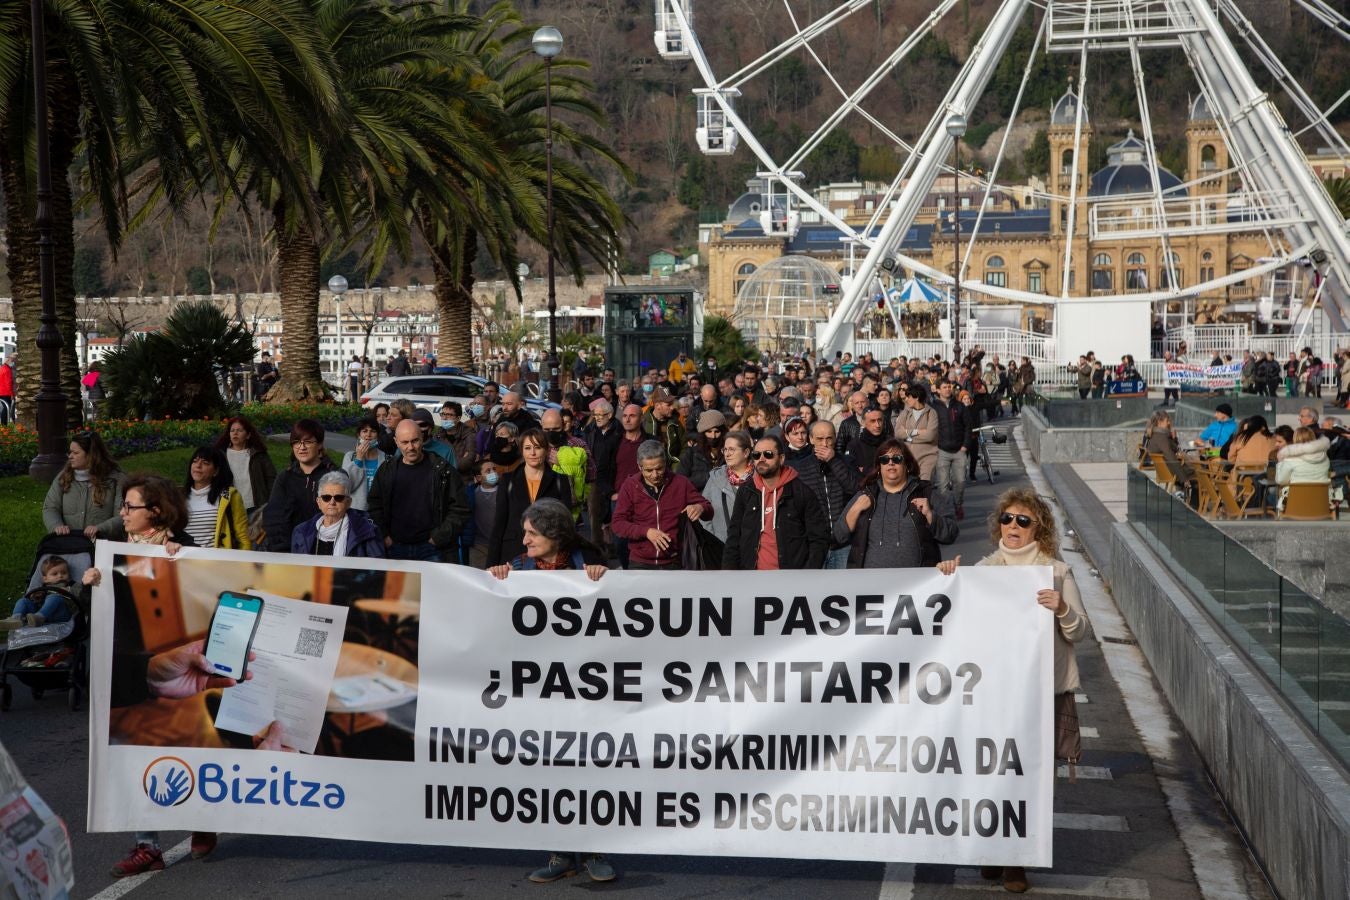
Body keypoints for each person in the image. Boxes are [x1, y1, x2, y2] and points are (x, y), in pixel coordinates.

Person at [936, 488, 1089, 896]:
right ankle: (994, 849)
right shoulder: (984, 570)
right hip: (995, 694)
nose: (1013, 527)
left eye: (1023, 520)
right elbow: (958, 618)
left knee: (1030, 778)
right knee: (991, 773)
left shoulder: (1056, 572)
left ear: (1039, 527)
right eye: (1007, 519)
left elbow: (1080, 631)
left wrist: (1062, 609)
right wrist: (949, 577)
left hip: (1041, 696)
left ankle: (1016, 860)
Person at [486, 498, 613, 884]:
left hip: (585, 692)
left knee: (587, 771)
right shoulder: (518, 569)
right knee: (550, 773)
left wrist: (604, 578)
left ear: (554, 534)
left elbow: (618, 612)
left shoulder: (588, 563)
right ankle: (560, 854)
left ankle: (593, 851)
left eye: (532, 533)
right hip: (540, 694)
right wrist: (493, 579)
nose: (524, 540)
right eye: (524, 533)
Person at [834, 440, 957, 568]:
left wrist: (931, 516)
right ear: (879, 467)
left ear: (907, 465)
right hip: (871, 579)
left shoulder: (926, 492)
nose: (890, 463)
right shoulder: (865, 495)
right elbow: (838, 537)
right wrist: (854, 510)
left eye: (897, 459)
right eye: (884, 459)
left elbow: (951, 533)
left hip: (917, 579)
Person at [368, 419, 470, 561]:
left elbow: (460, 508)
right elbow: (374, 505)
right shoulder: (386, 470)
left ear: (422, 438)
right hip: (395, 547)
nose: (410, 447)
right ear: (396, 442)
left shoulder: (442, 469)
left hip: (432, 548)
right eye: (405, 442)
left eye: (415, 441)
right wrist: (384, 536)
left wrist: (438, 538)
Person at [723, 434, 829, 570]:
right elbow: (734, 537)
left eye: (768, 454)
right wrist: (729, 574)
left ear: (781, 459)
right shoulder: (746, 491)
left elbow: (819, 539)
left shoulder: (801, 492)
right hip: (751, 576)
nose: (761, 459)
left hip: (790, 577)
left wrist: (807, 574)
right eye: (756, 455)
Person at [611, 440, 712, 570]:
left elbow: (708, 509)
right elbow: (618, 524)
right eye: (649, 470)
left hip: (675, 562)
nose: (655, 475)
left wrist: (700, 508)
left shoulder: (681, 483)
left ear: (665, 463)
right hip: (640, 563)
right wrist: (646, 532)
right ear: (639, 466)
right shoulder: (630, 486)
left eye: (659, 469)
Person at [487, 430, 573, 566]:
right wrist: (491, 564)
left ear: (547, 450)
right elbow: (499, 523)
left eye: (537, 447)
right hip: (513, 553)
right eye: (527, 448)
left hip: (548, 556)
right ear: (521, 451)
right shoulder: (508, 480)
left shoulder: (560, 480)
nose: (532, 453)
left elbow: (566, 524)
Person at [262, 420, 338, 551]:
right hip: (290, 548)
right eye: (297, 442)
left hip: (325, 548)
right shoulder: (285, 478)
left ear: (320, 444)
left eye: (308, 442)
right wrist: (283, 548)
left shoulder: (334, 476)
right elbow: (274, 517)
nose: (301, 447)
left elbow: (339, 516)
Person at [42, 430, 125, 538]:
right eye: (70, 452)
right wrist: (56, 526)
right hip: (69, 543)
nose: (70, 456)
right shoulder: (63, 478)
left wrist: (101, 529)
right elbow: (50, 508)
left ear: (91, 455)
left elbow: (124, 515)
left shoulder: (117, 479)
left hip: (103, 543)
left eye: (76, 453)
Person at [290, 470, 384, 557]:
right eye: (326, 498)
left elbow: (377, 567)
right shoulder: (301, 532)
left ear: (348, 502)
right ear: (319, 502)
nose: (332, 502)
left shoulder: (367, 531)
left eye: (338, 498)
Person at [181, 446, 251, 550]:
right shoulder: (178, 497)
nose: (198, 466)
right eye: (195, 461)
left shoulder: (229, 496)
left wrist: (245, 558)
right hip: (182, 558)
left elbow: (242, 536)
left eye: (205, 463)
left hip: (217, 559)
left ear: (216, 471)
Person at [701, 430, 754, 550]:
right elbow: (704, 512)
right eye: (725, 450)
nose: (727, 454)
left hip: (754, 549)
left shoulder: (759, 478)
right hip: (722, 549)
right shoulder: (715, 478)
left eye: (732, 449)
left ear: (746, 452)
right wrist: (713, 541)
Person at [214, 416, 276, 515]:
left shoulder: (259, 454)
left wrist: (271, 503)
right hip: (231, 507)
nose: (235, 433)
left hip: (256, 507)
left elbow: (271, 479)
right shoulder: (220, 455)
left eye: (239, 430)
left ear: (248, 435)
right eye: (232, 430)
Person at [931, 380, 974, 518]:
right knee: (942, 485)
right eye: (944, 387)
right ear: (938, 390)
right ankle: (944, 511)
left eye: (949, 386)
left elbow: (968, 427)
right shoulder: (933, 408)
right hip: (941, 450)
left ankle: (958, 504)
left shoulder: (960, 406)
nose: (948, 389)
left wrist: (965, 446)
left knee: (960, 481)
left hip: (959, 450)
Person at [583, 399, 622, 550]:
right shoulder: (590, 430)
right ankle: (597, 547)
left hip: (614, 476)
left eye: (601, 415)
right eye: (595, 415)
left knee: (612, 512)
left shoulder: (619, 431)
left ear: (610, 415)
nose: (597, 418)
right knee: (594, 511)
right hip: (594, 477)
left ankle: (613, 545)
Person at [0, 557, 78, 631]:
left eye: (64, 573)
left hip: (61, 614)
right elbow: (35, 601)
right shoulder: (42, 588)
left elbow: (81, 594)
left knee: (54, 597)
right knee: (23, 601)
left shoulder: (71, 585)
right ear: (45, 579)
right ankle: (16, 619)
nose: (60, 576)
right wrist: (35, 597)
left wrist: (69, 590)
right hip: (39, 615)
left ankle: (39, 617)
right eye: (55, 574)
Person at [1272, 426, 1331, 509]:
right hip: (1320, 506)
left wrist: (1280, 462)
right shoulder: (1325, 459)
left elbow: (1280, 480)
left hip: (1296, 507)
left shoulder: (1290, 459)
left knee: (1272, 496)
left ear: (1295, 440)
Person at [341, 417, 388, 511]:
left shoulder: (387, 459)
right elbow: (346, 487)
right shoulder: (350, 457)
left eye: (373, 431)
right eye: (364, 431)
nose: (368, 435)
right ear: (359, 435)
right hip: (355, 512)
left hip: (379, 511)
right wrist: (358, 459)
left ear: (378, 435)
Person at [896, 383, 940, 480]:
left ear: (916, 397)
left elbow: (930, 436)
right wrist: (916, 431)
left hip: (928, 458)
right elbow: (898, 433)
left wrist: (907, 436)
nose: (906, 399)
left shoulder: (931, 413)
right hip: (909, 458)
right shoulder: (905, 413)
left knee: (924, 484)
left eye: (909, 397)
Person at [463, 458, 500, 568]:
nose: (493, 473)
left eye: (494, 469)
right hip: (478, 545)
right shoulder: (471, 494)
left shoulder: (505, 491)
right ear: (479, 478)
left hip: (500, 544)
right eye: (488, 471)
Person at [679, 410, 726, 491]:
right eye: (709, 431)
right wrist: (709, 477)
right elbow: (680, 481)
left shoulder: (728, 453)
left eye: (717, 431)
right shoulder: (691, 454)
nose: (713, 436)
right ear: (703, 433)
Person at [643, 388, 686, 469]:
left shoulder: (676, 422)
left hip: (673, 469)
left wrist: (677, 466)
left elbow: (685, 446)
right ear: (657, 406)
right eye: (668, 405)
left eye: (672, 403)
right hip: (650, 469)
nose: (672, 407)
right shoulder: (643, 423)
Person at [438, 401, 478, 476]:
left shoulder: (469, 433)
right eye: (443, 414)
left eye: (449, 415)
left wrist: (443, 464)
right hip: (442, 478)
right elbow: (432, 460)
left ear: (458, 418)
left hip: (463, 479)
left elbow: (468, 461)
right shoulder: (438, 435)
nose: (444, 418)